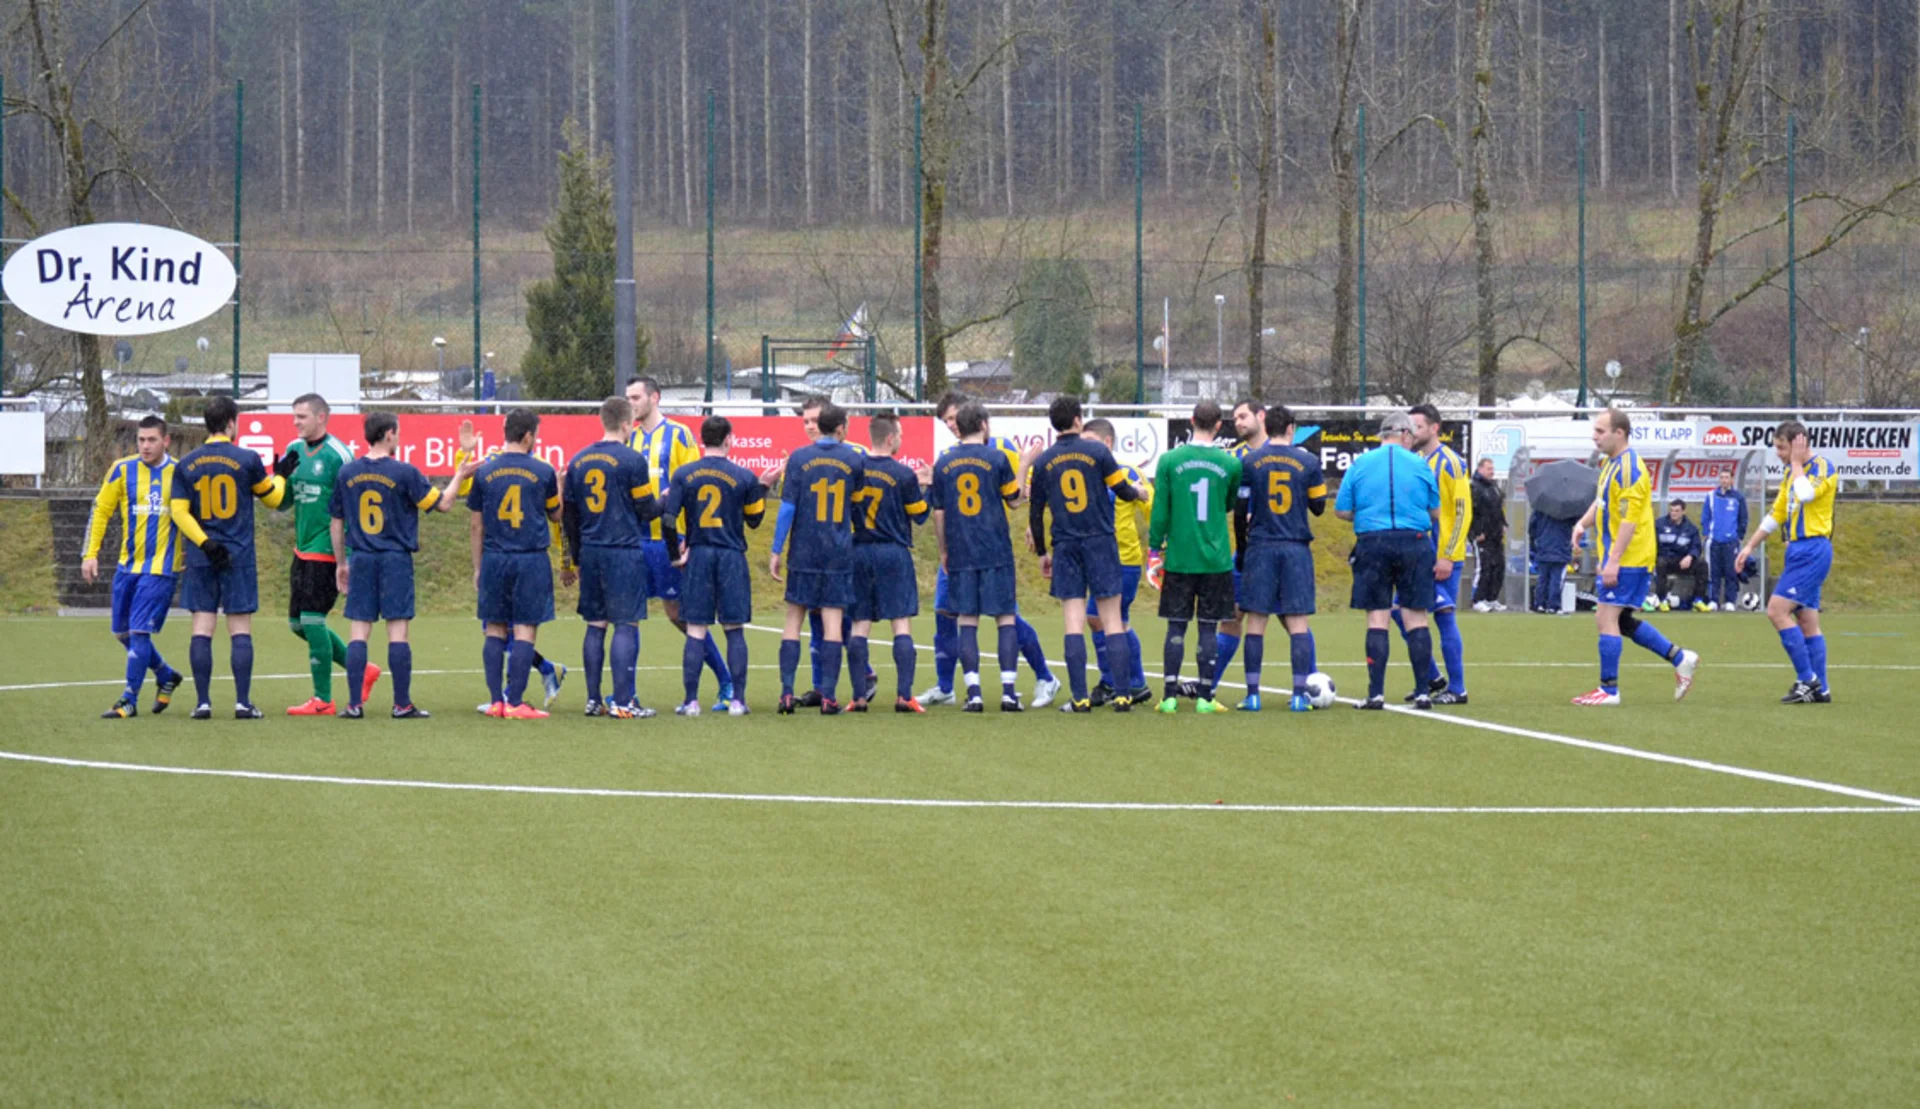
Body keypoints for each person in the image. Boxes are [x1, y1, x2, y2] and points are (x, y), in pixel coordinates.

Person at [919, 393, 1061, 708]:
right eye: (945, 422)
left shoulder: (1002, 450)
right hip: (965, 549)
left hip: (977, 548)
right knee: (946, 611)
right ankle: (947, 687)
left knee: (1001, 616)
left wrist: (1030, 524)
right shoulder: (948, 456)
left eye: (954, 418)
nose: (951, 425)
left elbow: (1019, 494)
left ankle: (1043, 675)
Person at [329, 412, 473, 718]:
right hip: (395, 559)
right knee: (398, 632)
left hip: (362, 557)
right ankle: (401, 704)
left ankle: (354, 705)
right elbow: (444, 503)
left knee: (359, 631)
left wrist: (342, 562)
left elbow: (336, 522)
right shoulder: (404, 472)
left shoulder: (347, 473)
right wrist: (460, 474)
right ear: (390, 434)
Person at [1568, 408, 1700, 705]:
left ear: (1620, 433)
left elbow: (1628, 521)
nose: (1595, 436)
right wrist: (1582, 523)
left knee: (1606, 617)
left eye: (1601, 431)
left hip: (1631, 556)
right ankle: (1680, 658)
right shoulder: (1610, 464)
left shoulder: (1629, 468)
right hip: (1624, 556)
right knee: (1621, 619)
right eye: (1595, 430)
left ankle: (1609, 690)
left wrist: (1614, 559)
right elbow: (1602, 504)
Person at [1027, 396, 1145, 713]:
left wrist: (1041, 552)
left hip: (1066, 545)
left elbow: (1036, 513)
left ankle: (1079, 697)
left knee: (1073, 622)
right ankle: (1122, 695)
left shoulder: (1044, 462)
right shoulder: (1098, 452)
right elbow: (1122, 489)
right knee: (1111, 619)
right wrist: (1139, 493)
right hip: (1101, 543)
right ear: (1079, 420)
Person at [171, 395, 286, 719]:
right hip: (238, 556)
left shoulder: (187, 463)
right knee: (240, 630)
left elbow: (178, 513)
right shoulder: (247, 459)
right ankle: (242, 703)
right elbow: (274, 499)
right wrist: (281, 475)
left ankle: (203, 703)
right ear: (232, 422)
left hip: (202, 557)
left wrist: (205, 543)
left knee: (202, 628)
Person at [563, 396, 671, 720]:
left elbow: (569, 515)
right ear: (627, 424)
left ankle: (593, 700)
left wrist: (576, 556)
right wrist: (665, 499)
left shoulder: (579, 460)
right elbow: (647, 510)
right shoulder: (632, 460)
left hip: (592, 552)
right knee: (626, 623)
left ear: (602, 421)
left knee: (596, 625)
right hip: (623, 551)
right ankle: (624, 702)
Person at [627, 376, 731, 706]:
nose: (631, 403)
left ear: (654, 398)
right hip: (634, 540)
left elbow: (692, 488)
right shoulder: (628, 438)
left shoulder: (679, 435)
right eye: (627, 398)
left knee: (678, 614)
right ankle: (627, 695)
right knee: (628, 615)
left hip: (669, 541)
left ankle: (726, 681)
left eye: (636, 397)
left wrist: (687, 538)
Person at [275, 394, 377, 716]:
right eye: (294, 417)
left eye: (302, 417)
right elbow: (282, 503)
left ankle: (323, 699)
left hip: (328, 549)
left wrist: (345, 555)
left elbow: (355, 503)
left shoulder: (339, 456)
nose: (296, 422)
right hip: (302, 548)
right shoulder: (293, 451)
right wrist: (277, 478)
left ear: (322, 417)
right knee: (296, 624)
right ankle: (360, 669)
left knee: (312, 619)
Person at [83, 416, 189, 719]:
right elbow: (101, 510)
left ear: (165, 441)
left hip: (162, 568)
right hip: (127, 566)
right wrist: (90, 554)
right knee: (121, 631)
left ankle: (129, 699)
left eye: (152, 440)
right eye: (141, 440)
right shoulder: (122, 469)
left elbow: (194, 516)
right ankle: (166, 674)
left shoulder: (180, 473)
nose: (145, 445)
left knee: (139, 631)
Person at [1334, 412, 1441, 710]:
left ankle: (1376, 693)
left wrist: (1369, 514)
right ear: (1406, 435)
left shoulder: (1360, 464)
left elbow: (1342, 510)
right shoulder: (1420, 464)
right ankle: (1422, 692)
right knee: (1416, 616)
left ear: (1382, 435)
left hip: (1373, 542)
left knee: (1377, 617)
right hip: (1414, 542)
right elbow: (1434, 511)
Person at [663, 416, 767, 716]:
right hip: (731, 555)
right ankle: (738, 701)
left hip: (699, 555)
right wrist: (761, 487)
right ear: (729, 439)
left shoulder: (685, 474)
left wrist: (675, 555)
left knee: (696, 628)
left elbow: (669, 519)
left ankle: (691, 701)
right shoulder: (744, 476)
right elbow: (755, 519)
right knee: (734, 629)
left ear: (701, 440)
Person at [927, 401, 1026, 712]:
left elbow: (939, 513)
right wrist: (1023, 465)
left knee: (967, 620)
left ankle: (974, 694)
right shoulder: (996, 457)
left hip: (961, 550)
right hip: (995, 548)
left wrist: (943, 549)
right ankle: (1009, 692)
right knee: (1005, 618)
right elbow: (1013, 501)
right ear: (983, 424)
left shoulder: (944, 463)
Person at [1147, 400, 1243, 714]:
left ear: (1191, 421)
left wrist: (1153, 548)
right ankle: (1204, 697)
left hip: (1179, 558)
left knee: (1176, 626)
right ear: (1219, 426)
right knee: (1208, 627)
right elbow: (1229, 503)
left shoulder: (1170, 460)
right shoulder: (1230, 464)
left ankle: (1170, 696)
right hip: (1216, 559)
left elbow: (1160, 510)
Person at [771, 401, 865, 714]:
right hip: (838, 550)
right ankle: (828, 696)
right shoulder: (853, 459)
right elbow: (858, 507)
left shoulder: (799, 458)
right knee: (833, 624)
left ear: (819, 425)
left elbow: (787, 509)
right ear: (840, 428)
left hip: (804, 550)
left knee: (793, 619)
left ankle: (786, 693)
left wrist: (776, 549)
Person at [469, 408, 564, 719]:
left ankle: (496, 701)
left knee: (494, 629)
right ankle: (516, 702)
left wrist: (477, 567)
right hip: (530, 559)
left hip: (495, 558)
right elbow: (556, 514)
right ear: (528, 436)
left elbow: (475, 525)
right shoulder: (543, 471)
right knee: (524, 630)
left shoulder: (484, 472)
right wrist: (560, 485)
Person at [1233, 405, 1328, 712]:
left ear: (1266, 425)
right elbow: (1319, 506)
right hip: (1295, 547)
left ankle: (1253, 694)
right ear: (1291, 428)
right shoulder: (1308, 461)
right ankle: (1300, 695)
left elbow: (1239, 509)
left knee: (1256, 622)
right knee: (1298, 622)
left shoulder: (1250, 460)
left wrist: (1243, 549)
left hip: (1261, 545)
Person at [1735, 421, 1836, 703]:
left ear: (1798, 444)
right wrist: (1749, 546)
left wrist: (1795, 463)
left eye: (1782, 447)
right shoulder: (1791, 473)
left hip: (1813, 549)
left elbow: (1806, 494)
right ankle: (1822, 688)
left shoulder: (1822, 467)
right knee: (1806, 619)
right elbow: (1776, 513)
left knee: (1776, 610)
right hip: (1798, 551)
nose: (1778, 453)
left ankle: (1808, 680)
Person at [847, 414, 932, 713]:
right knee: (901, 625)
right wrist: (929, 486)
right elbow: (920, 514)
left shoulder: (854, 470)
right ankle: (904, 696)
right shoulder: (903, 474)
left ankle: (858, 697)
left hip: (859, 550)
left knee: (859, 625)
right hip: (893, 554)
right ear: (891, 438)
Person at [1396, 404, 1471, 705]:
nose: (1413, 432)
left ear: (1435, 428)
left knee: (1443, 617)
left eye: (1419, 426)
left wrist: (1448, 556)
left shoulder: (1450, 462)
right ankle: (1432, 676)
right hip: (1419, 554)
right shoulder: (1416, 461)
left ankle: (1458, 688)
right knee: (1399, 611)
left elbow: (1463, 511)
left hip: (1443, 557)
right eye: (1410, 427)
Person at [1082, 419, 1153, 707]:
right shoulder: (1086, 473)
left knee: (1110, 619)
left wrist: (1160, 547)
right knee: (1108, 620)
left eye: (1090, 441)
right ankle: (1123, 681)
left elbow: (1152, 507)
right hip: (1097, 558)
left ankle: (1122, 681)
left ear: (1107, 442)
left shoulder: (1127, 473)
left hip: (1124, 559)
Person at [1206, 398, 1267, 696]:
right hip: (1243, 551)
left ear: (1261, 416)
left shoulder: (1285, 452)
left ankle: (1308, 682)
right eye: (1235, 418)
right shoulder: (1232, 458)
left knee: (1291, 619)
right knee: (1230, 615)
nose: (1239, 422)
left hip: (1275, 549)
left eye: (1243, 416)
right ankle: (1209, 685)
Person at [1700, 471, 1747, 611]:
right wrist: (1706, 533)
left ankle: (1730, 601)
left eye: (1727, 477)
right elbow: (1706, 516)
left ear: (1732, 480)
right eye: (1722, 477)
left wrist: (1739, 535)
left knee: (1730, 571)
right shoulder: (1711, 496)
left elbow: (1743, 518)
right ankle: (1713, 600)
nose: (1724, 480)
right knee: (1713, 571)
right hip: (1714, 540)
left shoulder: (1738, 497)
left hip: (1731, 541)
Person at [1653, 499, 1709, 610]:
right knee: (1661, 563)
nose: (1673, 513)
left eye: (1677, 511)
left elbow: (1696, 547)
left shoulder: (1691, 528)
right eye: (1672, 510)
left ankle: (1697, 600)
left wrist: (1690, 556)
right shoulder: (1659, 525)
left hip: (1682, 561)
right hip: (1665, 560)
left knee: (1702, 564)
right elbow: (1652, 543)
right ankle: (1662, 600)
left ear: (1683, 512)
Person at [1469, 457, 1507, 612]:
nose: (1492, 472)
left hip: (1495, 535)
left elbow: (1497, 509)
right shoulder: (1473, 487)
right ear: (1480, 469)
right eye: (1489, 468)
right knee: (1484, 567)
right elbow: (1471, 512)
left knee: (1498, 566)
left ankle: (1492, 598)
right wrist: (1475, 532)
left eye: (1492, 468)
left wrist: (1503, 524)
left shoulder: (1494, 487)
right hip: (1482, 535)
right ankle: (1478, 599)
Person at [1528, 507, 1574, 614]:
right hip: (1561, 547)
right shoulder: (1566, 509)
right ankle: (1553, 605)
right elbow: (1574, 521)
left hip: (1543, 546)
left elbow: (1532, 528)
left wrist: (1537, 539)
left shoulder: (1540, 508)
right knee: (1556, 579)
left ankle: (1540, 604)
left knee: (1542, 578)